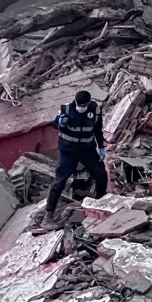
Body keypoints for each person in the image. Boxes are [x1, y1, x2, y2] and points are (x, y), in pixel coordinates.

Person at [42, 90, 108, 228]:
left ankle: (101, 203)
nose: (80, 107)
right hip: (68, 150)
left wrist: (101, 148)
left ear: (88, 103)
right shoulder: (66, 108)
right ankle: (48, 216)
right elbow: (54, 124)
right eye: (79, 104)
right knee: (60, 180)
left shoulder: (94, 110)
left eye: (83, 105)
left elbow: (98, 130)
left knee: (101, 176)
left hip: (87, 149)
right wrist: (60, 122)